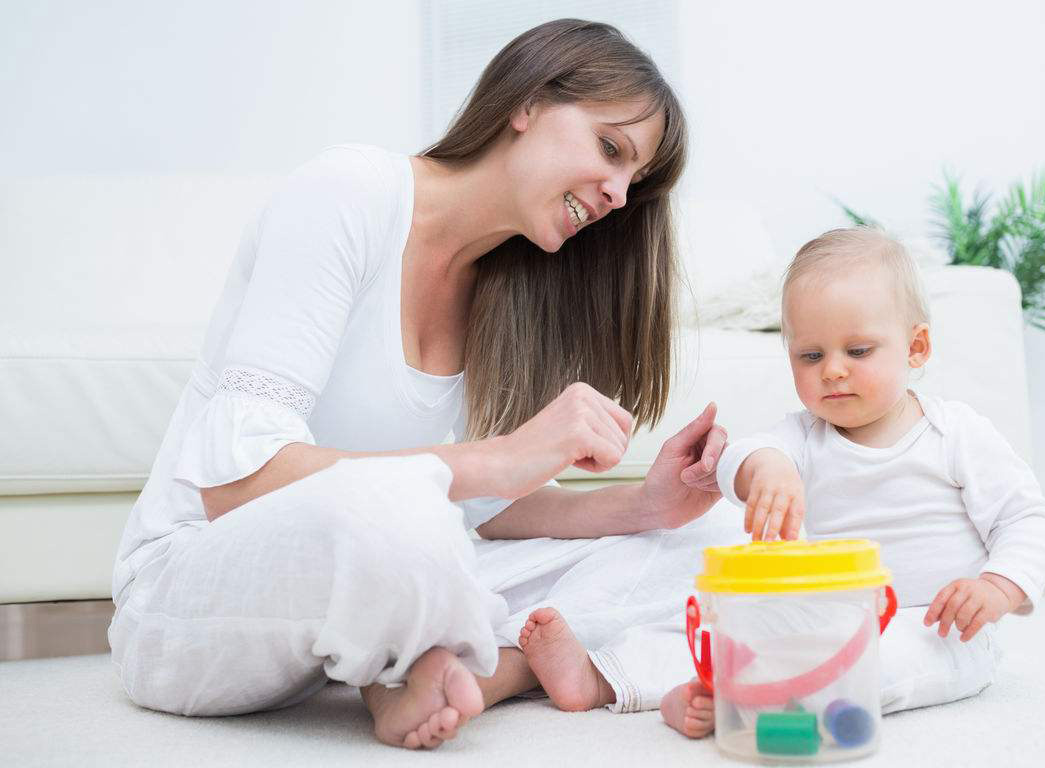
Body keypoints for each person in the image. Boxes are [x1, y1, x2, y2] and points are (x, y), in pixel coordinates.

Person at [108, 19, 727, 751]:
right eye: (610, 149)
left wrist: (645, 506)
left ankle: (476, 669)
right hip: (193, 595)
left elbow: (482, 510)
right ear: (527, 103)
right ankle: (438, 652)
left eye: (634, 181)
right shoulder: (349, 193)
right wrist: (500, 457)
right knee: (407, 509)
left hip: (376, 583)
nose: (618, 195)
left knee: (720, 539)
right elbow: (236, 487)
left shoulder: (507, 285)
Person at [511, 228, 1045, 739]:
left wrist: (997, 587)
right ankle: (603, 677)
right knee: (716, 623)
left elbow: (1027, 518)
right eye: (810, 355)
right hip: (819, 614)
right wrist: (767, 470)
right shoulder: (802, 437)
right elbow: (740, 457)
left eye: (858, 351)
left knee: (883, 662)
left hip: (936, 622)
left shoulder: (956, 433)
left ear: (915, 348)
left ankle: (751, 705)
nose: (833, 370)